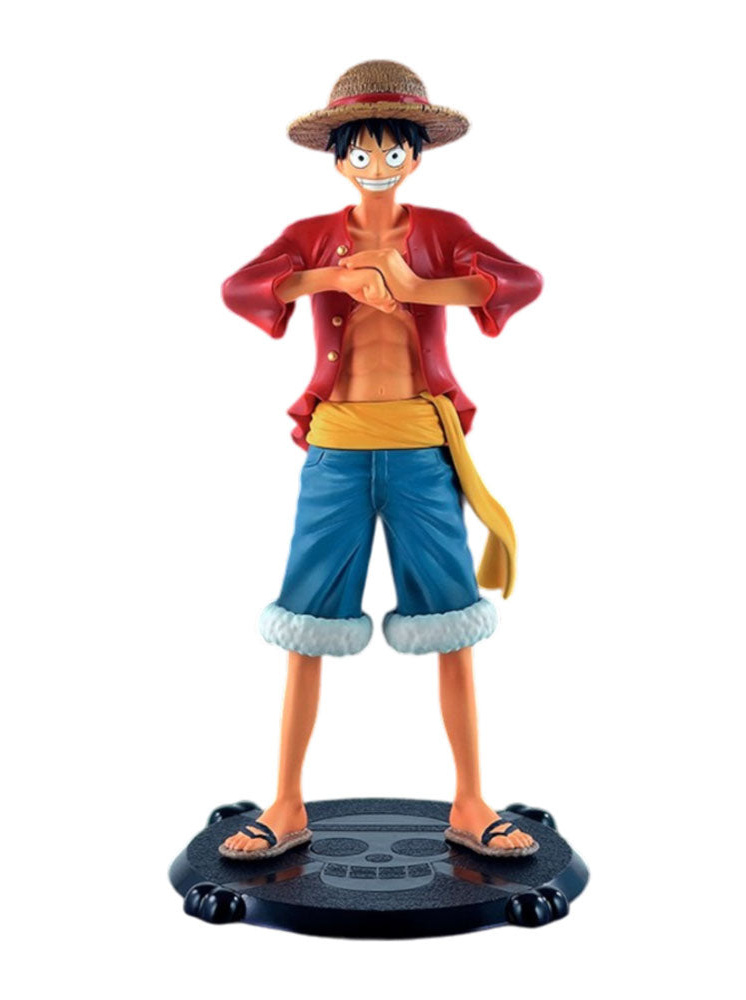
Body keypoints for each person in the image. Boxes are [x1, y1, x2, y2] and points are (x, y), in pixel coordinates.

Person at [218, 61, 543, 861]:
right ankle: (286, 802)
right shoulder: (311, 233)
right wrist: (333, 275)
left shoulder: (440, 230)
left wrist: (413, 285)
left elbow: (520, 281)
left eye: (390, 152)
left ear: (416, 156)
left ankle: (470, 800)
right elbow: (241, 287)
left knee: (453, 622)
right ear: (337, 160)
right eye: (359, 153)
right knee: (305, 624)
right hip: (335, 448)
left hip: (422, 449)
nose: (375, 166)